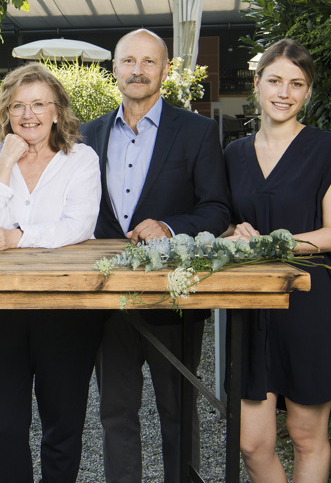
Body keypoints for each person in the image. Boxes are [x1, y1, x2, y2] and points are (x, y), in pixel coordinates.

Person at [79, 28, 230, 483]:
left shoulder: (198, 132)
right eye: (128, 61)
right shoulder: (89, 135)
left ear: (165, 70)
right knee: (116, 413)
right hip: (112, 299)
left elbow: (217, 209)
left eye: (149, 62)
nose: (138, 70)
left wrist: (168, 226)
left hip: (174, 297)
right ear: (114, 70)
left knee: (178, 411)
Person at [224, 39, 331, 482]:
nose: (284, 92)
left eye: (297, 84)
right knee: (252, 444)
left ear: (308, 93)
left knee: (305, 436)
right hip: (250, 305)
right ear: (257, 84)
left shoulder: (328, 149)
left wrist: (274, 245)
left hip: (308, 302)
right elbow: (225, 223)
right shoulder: (233, 154)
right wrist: (232, 233)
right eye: (275, 80)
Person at [0, 63, 103, 482]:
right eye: (18, 106)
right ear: (6, 113)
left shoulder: (80, 159)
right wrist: (6, 160)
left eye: (39, 105)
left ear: (57, 111)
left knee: (63, 426)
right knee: (3, 427)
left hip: (65, 307)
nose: (29, 115)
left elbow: (77, 226)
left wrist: (16, 237)